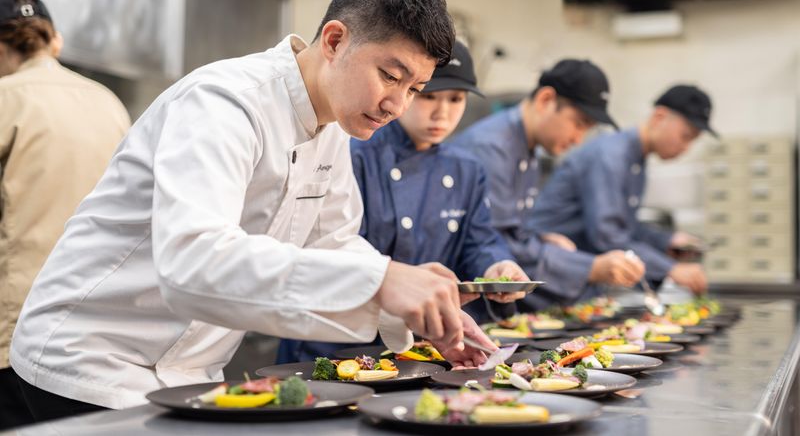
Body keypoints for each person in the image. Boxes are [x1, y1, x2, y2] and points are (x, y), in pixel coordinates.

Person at [10, 0, 495, 423]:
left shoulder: (333, 129)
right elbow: (193, 259)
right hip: (88, 360)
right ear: (334, 40)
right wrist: (382, 281)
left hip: (187, 374)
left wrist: (412, 307)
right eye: (390, 76)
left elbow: (332, 244)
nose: (397, 105)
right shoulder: (224, 102)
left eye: (415, 88)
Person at [277, 41, 530, 363]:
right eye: (428, 96)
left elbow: (479, 240)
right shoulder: (354, 153)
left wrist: (497, 266)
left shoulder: (467, 169)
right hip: (336, 339)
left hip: (420, 341)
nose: (442, 113)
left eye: (455, 99)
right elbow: (331, 246)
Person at [0, 0, 130, 429]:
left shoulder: (5, 97)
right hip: (95, 333)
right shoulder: (107, 101)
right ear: (54, 41)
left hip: (16, 329)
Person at [452, 59, 645, 310]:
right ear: (545, 100)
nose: (578, 140)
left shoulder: (528, 147)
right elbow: (493, 242)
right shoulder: (492, 149)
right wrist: (590, 267)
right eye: (579, 124)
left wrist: (541, 239)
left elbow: (510, 230)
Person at [530, 84, 715, 296]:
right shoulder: (611, 156)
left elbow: (625, 227)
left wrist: (667, 241)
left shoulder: (636, 161)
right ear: (659, 117)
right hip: (546, 276)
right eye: (685, 136)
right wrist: (670, 269)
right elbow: (608, 236)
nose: (686, 148)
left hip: (575, 280)